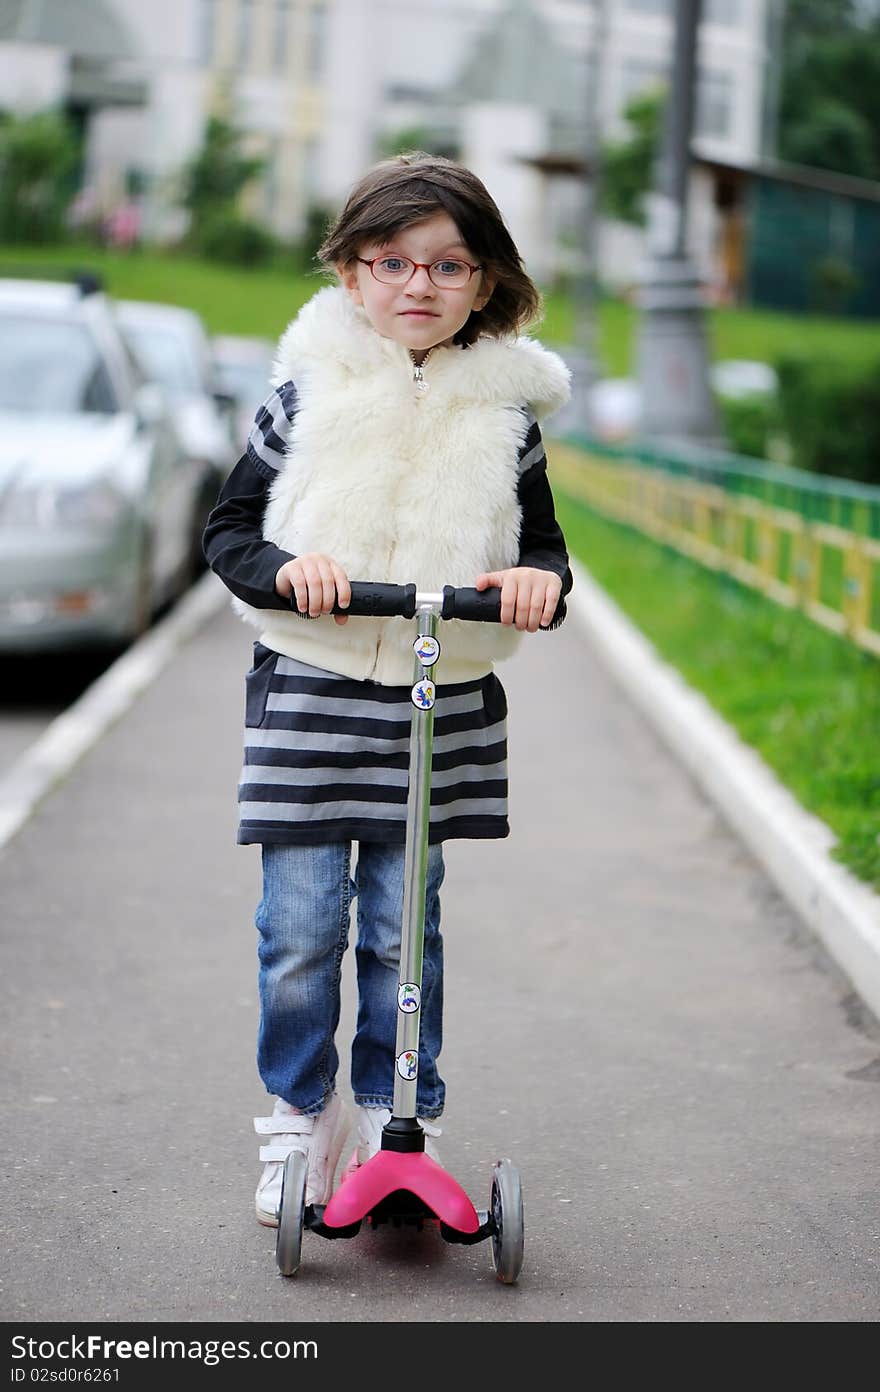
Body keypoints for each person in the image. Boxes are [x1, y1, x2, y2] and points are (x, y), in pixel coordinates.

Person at [202, 152, 573, 1227]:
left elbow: (546, 559)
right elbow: (230, 534)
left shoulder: (509, 419)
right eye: (392, 261)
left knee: (406, 930)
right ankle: (295, 1115)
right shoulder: (305, 397)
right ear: (352, 273)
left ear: (486, 282)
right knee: (302, 925)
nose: (420, 285)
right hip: (314, 690)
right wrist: (287, 572)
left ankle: (394, 1112)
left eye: (449, 265)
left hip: (432, 696)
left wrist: (530, 586)